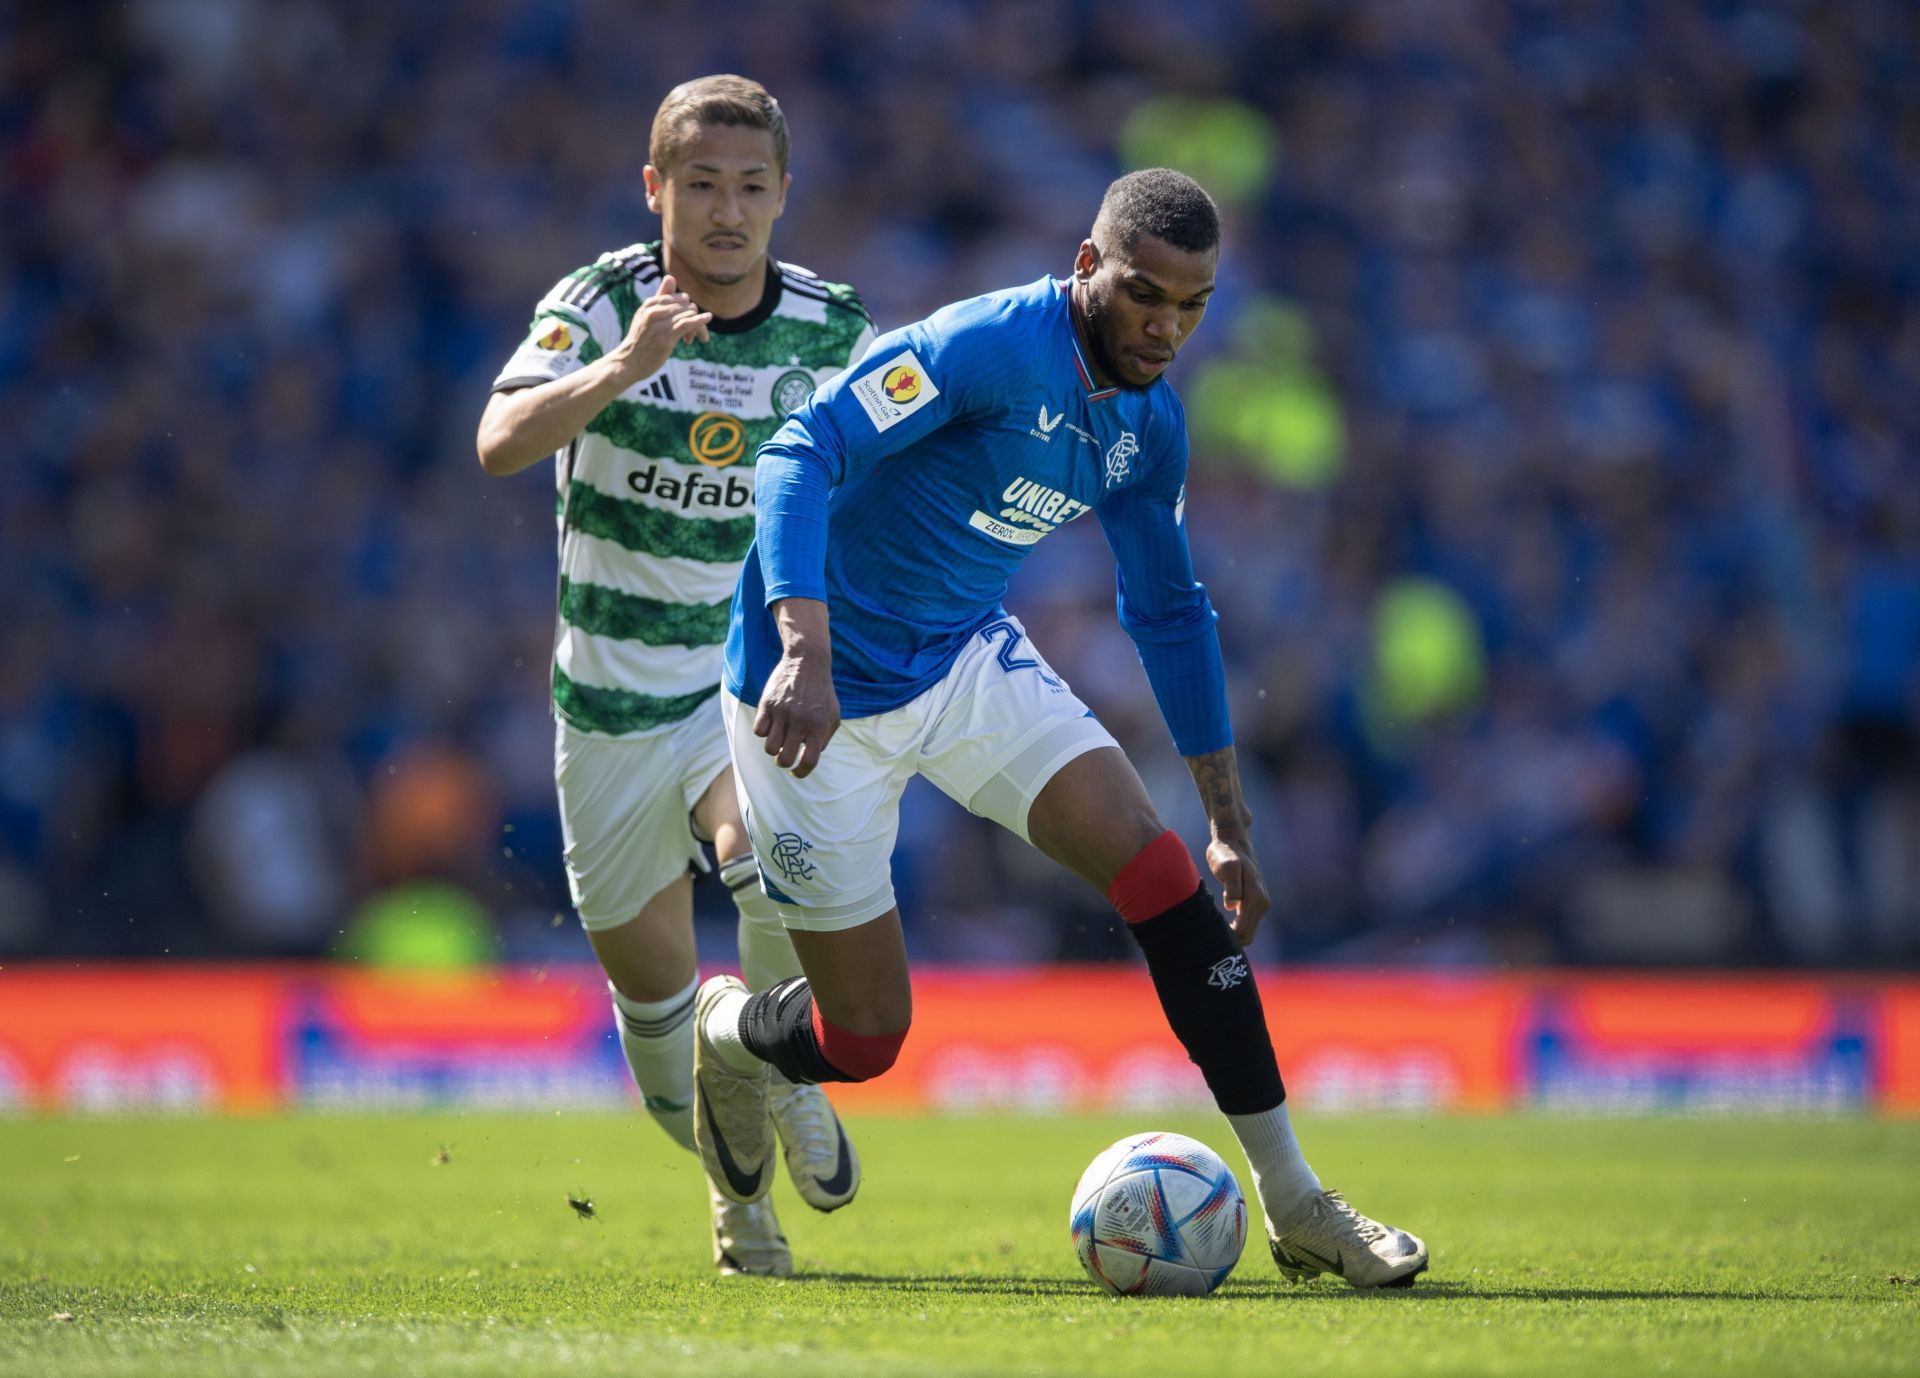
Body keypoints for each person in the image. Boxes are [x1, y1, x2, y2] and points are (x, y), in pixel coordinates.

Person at [692, 168, 1429, 1289]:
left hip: (963, 656)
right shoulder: (988, 344)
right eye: (1145, 294)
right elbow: (802, 450)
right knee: (866, 1039)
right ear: (1088, 267)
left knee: (1161, 868)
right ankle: (730, 1034)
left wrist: (1227, 820)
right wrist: (803, 645)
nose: (1165, 326)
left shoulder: (1151, 426)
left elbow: (1169, 611)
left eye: (1193, 305)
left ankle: (1297, 1200)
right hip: (816, 689)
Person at [475, 75, 874, 1278]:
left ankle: (784, 1088)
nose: (726, 210)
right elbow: (499, 441)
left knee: (765, 867)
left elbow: (891, 472)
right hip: (604, 711)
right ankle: (738, 1127)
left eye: (751, 186)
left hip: (732, 686)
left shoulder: (832, 327)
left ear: (784, 197)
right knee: (662, 1056)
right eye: (699, 183)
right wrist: (625, 366)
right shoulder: (600, 303)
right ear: (654, 190)